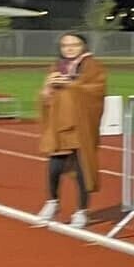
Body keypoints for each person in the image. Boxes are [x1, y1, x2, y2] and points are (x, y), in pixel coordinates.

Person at [35, 32, 109, 227]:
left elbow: (96, 91)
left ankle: (82, 211)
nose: (69, 48)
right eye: (65, 45)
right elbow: (46, 96)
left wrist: (70, 85)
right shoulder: (57, 66)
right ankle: (53, 201)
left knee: (82, 167)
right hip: (59, 125)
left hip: (81, 125)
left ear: (83, 46)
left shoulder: (92, 66)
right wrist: (48, 86)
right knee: (54, 166)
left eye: (74, 45)